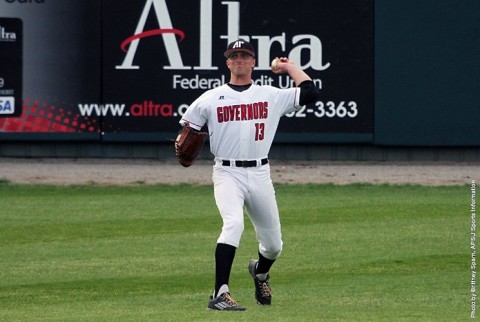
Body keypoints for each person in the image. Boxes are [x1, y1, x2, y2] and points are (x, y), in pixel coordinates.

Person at [178, 39, 321, 311]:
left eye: (245, 55)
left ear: (253, 62)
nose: (240, 60)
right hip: (227, 172)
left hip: (259, 173)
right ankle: (220, 294)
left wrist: (289, 67)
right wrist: (183, 142)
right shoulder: (210, 98)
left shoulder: (271, 95)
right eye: (235, 56)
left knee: (273, 246)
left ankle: (260, 272)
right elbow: (186, 132)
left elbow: (311, 93)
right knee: (233, 224)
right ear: (227, 62)